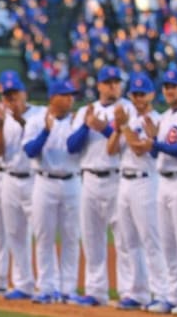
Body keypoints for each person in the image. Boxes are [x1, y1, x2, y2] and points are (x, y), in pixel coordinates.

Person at [136, 69, 177, 315]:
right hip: (163, 181)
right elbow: (156, 153)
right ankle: (173, 296)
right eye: (166, 86)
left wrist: (156, 143)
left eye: (174, 86)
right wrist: (153, 143)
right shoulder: (164, 117)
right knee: (168, 244)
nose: (169, 90)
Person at [66, 65, 134, 306]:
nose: (113, 85)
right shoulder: (86, 110)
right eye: (108, 82)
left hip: (118, 178)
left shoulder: (129, 109)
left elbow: (128, 144)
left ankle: (128, 291)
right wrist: (86, 125)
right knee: (92, 238)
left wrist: (104, 127)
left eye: (116, 81)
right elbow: (71, 146)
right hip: (90, 179)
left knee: (124, 239)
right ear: (99, 86)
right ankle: (95, 291)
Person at [107, 74, 170, 311]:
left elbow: (139, 149)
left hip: (146, 182)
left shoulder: (156, 120)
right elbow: (111, 150)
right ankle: (139, 291)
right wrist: (118, 128)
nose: (138, 98)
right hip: (125, 181)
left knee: (151, 239)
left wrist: (123, 126)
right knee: (128, 240)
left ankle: (162, 293)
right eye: (135, 94)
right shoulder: (129, 117)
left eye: (142, 94)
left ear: (152, 95)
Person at [0, 73, 43, 299]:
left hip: (35, 179)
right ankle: (23, 284)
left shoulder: (39, 114)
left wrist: (18, 119)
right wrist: (2, 122)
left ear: (24, 94)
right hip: (9, 178)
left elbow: (37, 145)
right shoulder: (0, 118)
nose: (11, 100)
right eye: (7, 96)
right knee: (14, 233)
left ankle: (47, 285)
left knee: (41, 234)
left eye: (14, 95)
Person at [22, 79, 81, 304]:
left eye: (71, 95)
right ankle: (46, 286)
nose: (70, 99)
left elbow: (75, 146)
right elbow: (30, 150)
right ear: (53, 97)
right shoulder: (37, 121)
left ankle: (68, 288)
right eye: (65, 95)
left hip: (72, 180)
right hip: (44, 181)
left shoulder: (76, 122)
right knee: (44, 235)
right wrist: (45, 132)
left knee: (71, 236)